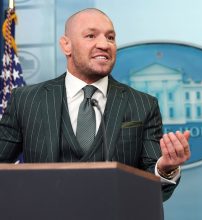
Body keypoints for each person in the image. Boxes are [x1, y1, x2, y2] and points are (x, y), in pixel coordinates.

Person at [0, 8, 191, 201]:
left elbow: (153, 187)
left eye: (110, 37)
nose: (104, 44)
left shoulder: (143, 105)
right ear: (66, 45)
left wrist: (165, 169)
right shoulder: (26, 100)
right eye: (91, 36)